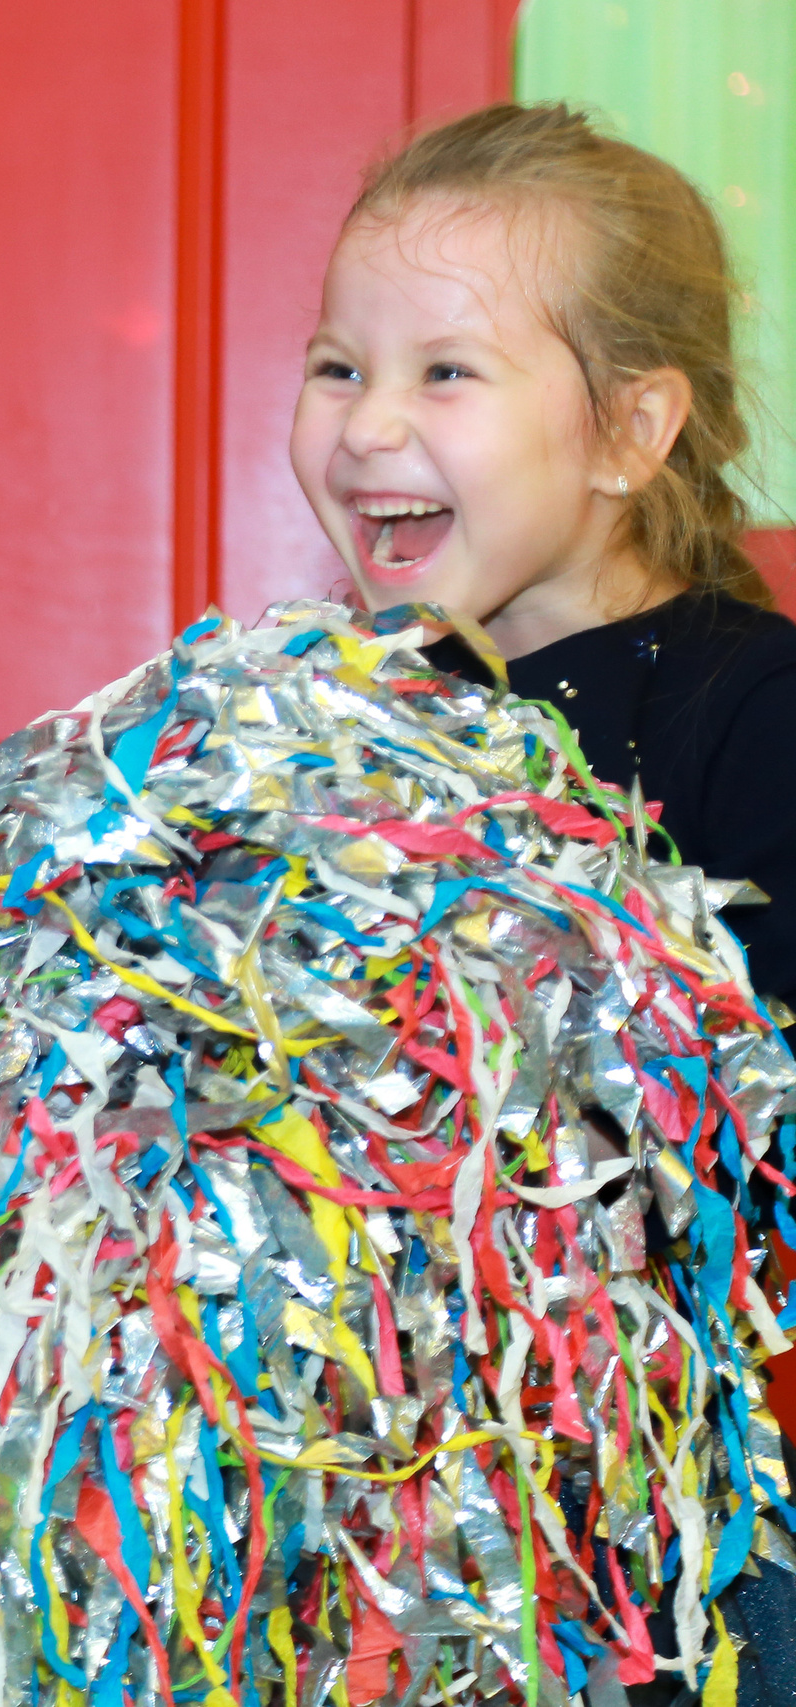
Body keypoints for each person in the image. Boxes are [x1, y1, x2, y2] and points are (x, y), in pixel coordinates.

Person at [291, 99, 796, 1702]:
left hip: (638, 1562)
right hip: (348, 1528)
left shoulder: (749, 706)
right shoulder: (330, 719)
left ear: (628, 430)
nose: (369, 425)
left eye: (444, 371)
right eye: (336, 366)